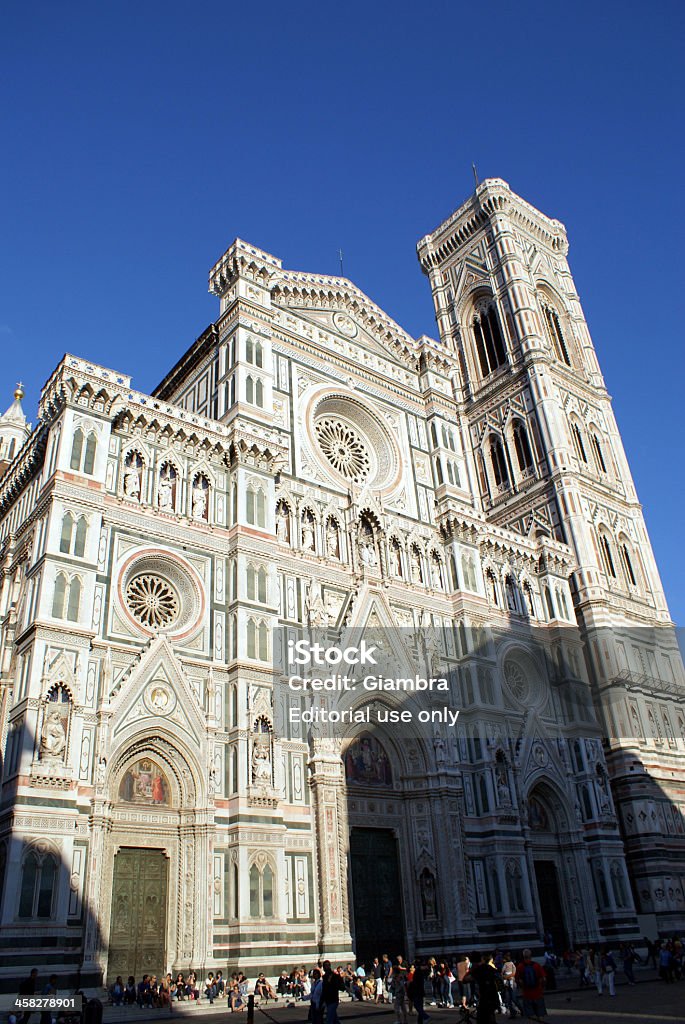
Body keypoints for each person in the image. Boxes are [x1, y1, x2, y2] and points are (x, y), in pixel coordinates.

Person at [468, 952, 501, 1024]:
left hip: (483, 998)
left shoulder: (478, 969)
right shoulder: (493, 969)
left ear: (483, 959)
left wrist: (471, 971)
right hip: (493, 996)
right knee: (491, 1017)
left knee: (482, 1018)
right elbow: (500, 982)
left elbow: (465, 979)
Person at [515, 949, 547, 1022]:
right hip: (538, 993)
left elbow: (517, 980)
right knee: (540, 1014)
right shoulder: (537, 965)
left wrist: (522, 987)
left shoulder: (520, 967)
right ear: (531, 956)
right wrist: (542, 987)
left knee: (530, 1016)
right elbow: (544, 979)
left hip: (527, 994)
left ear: (523, 956)